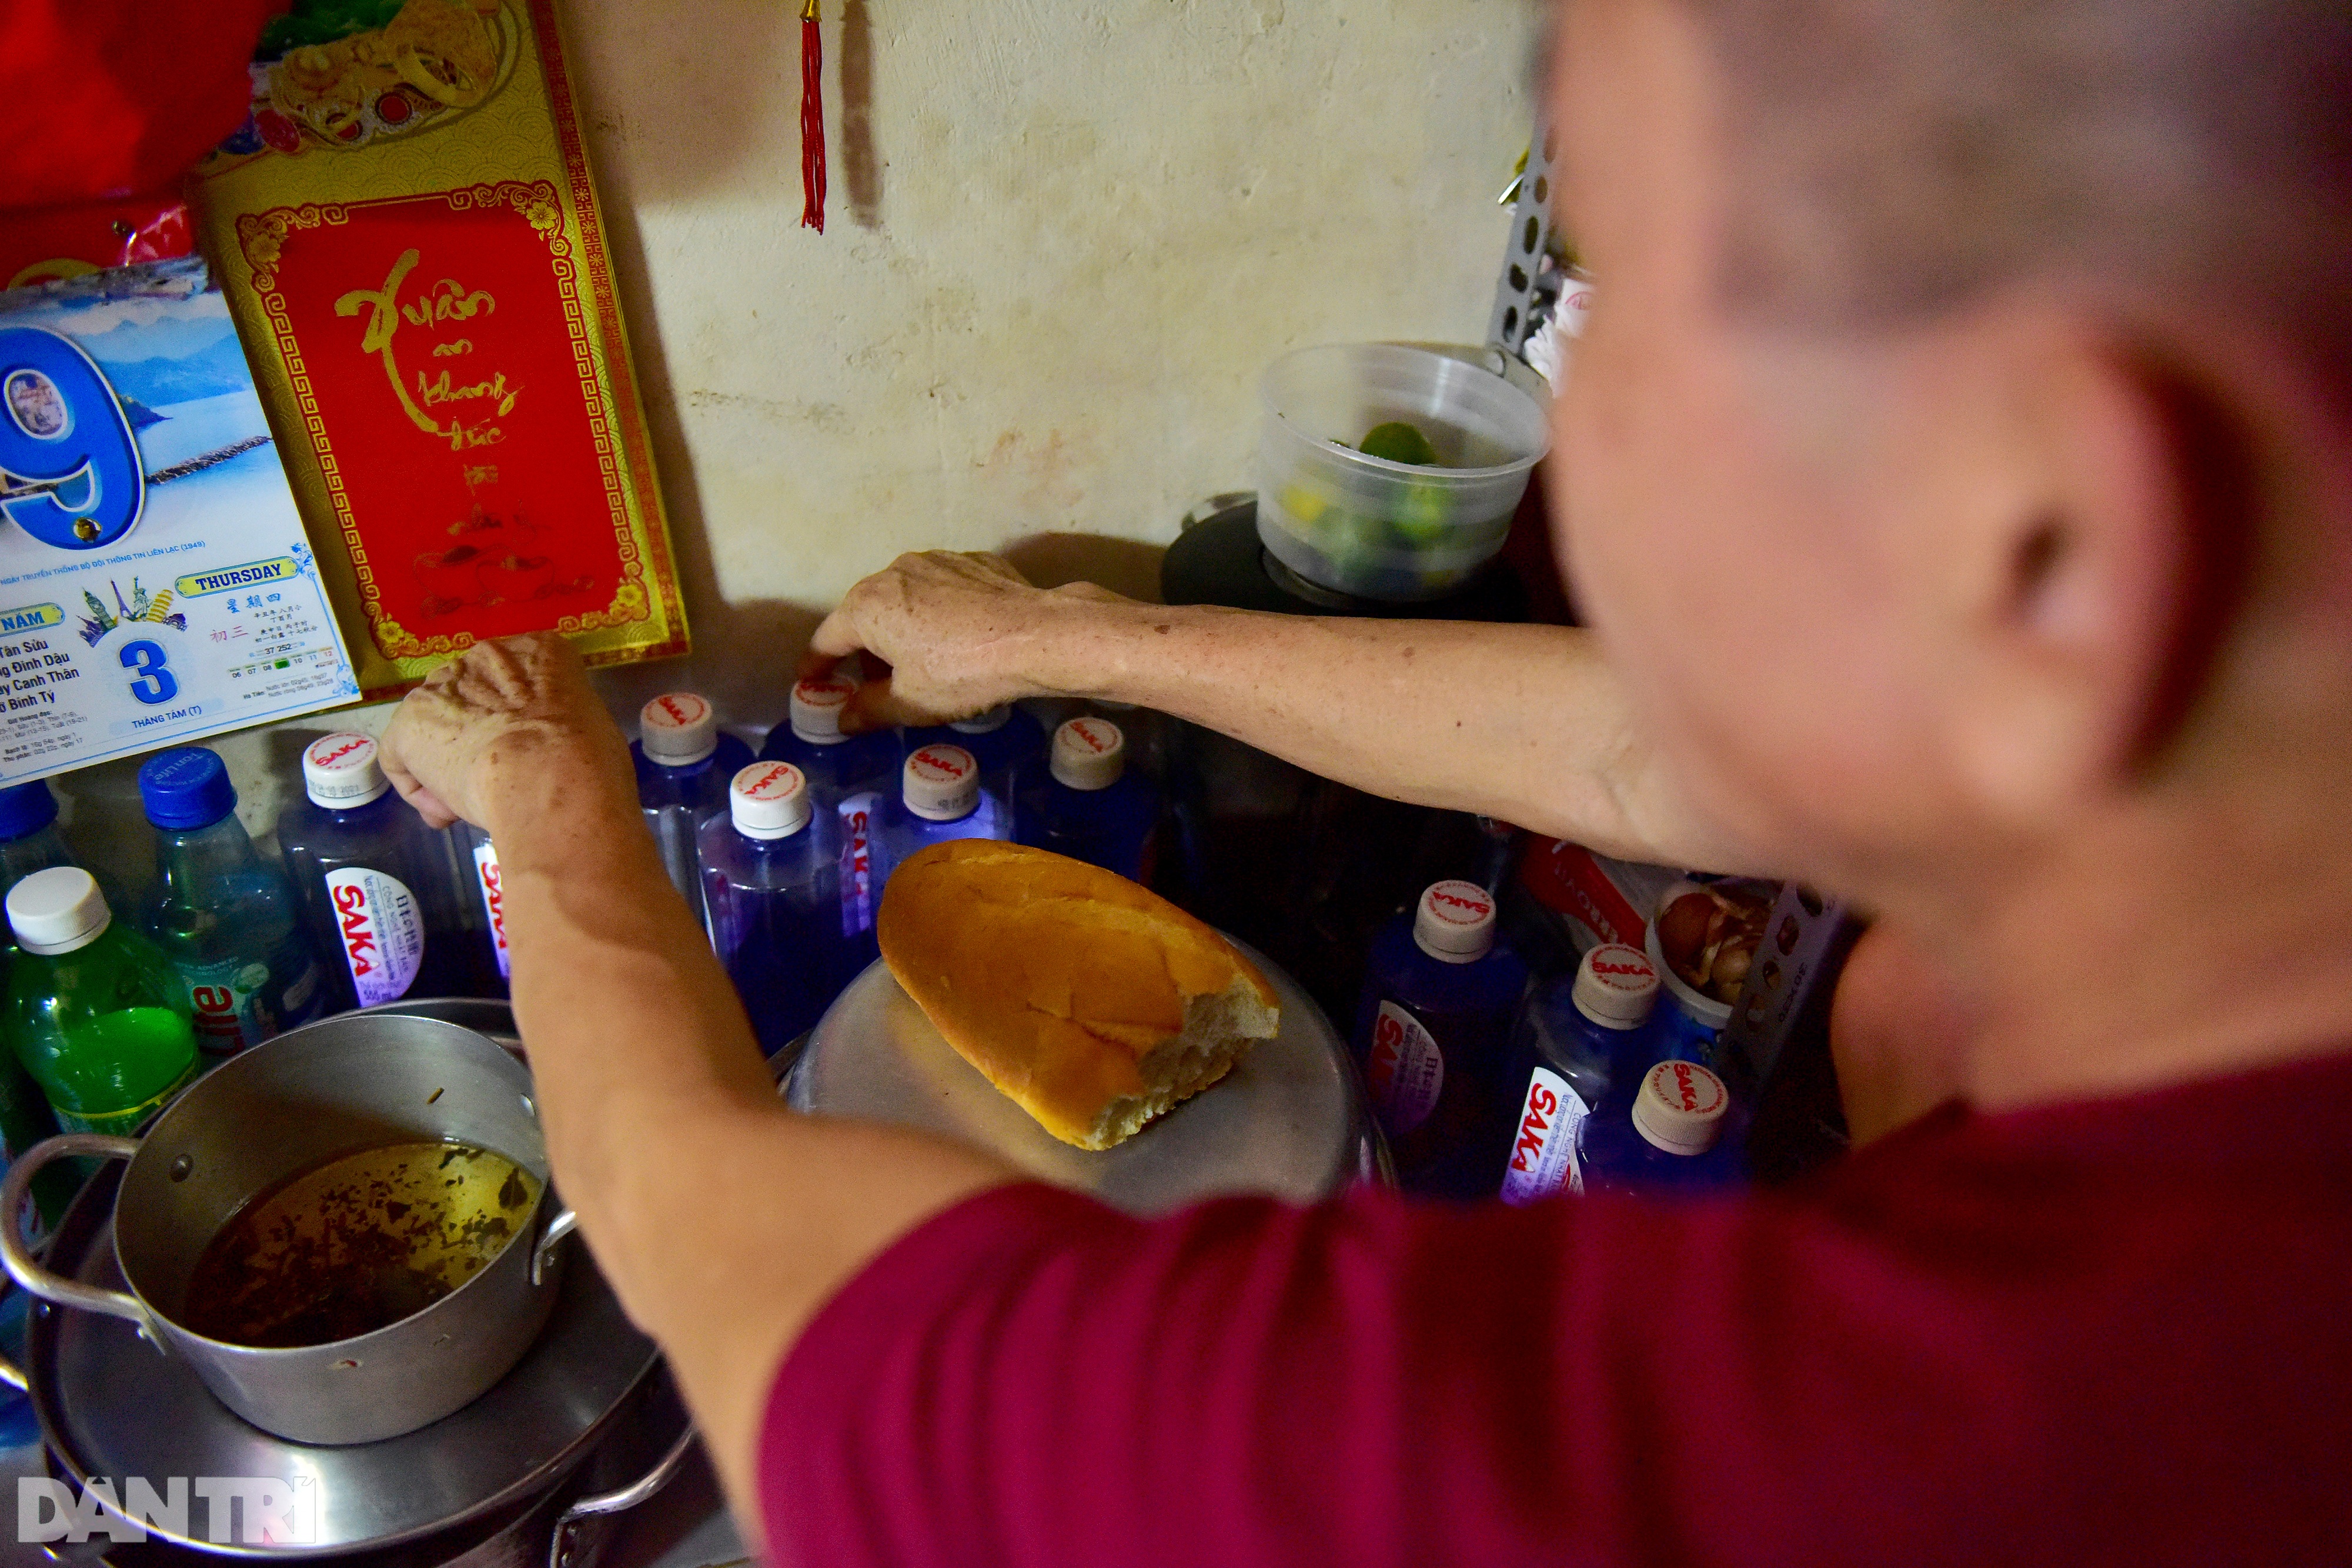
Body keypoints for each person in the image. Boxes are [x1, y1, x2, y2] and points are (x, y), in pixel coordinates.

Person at [376, 0, 2352, 1560]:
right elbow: (1636, 745)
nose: (1555, 402)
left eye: (1621, 295)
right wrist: (1074, 636)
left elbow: (775, 1291)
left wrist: (553, 807)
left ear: (2049, 540)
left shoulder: (1817, 1455)